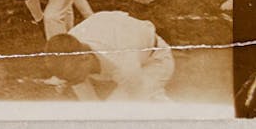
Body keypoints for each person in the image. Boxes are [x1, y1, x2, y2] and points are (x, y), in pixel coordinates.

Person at [44, 11, 174, 101]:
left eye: (72, 77)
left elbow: (137, 99)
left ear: (85, 58)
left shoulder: (124, 64)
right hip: (128, 49)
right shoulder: (71, 47)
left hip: (155, 60)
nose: (70, 83)